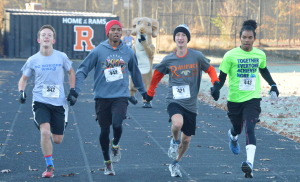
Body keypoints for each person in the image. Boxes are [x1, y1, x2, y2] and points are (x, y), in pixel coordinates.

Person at [72, 20, 146, 176]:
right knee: (104, 131)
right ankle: (107, 163)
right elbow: (82, 70)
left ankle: (116, 144)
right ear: (108, 32)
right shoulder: (98, 51)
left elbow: (135, 72)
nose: (116, 32)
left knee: (117, 125)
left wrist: (143, 91)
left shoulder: (128, 52)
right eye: (113, 29)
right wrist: (75, 90)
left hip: (120, 96)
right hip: (102, 97)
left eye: (119, 29)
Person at [145, 24, 219, 177]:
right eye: (177, 35)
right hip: (174, 100)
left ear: (187, 39)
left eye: (183, 35)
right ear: (175, 39)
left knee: (186, 140)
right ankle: (174, 141)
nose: (180, 38)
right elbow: (157, 75)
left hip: (191, 104)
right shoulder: (169, 59)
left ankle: (176, 163)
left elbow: (210, 69)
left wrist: (216, 83)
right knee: (177, 123)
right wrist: (150, 93)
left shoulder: (196, 56)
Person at [210, 20, 279, 178]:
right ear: (239, 38)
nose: (247, 40)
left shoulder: (260, 54)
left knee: (250, 127)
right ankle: (233, 136)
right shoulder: (230, 55)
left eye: (250, 37)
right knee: (237, 128)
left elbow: (264, 70)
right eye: (244, 37)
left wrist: (273, 85)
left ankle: (249, 164)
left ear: (254, 38)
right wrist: (216, 89)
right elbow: (221, 77)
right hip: (234, 99)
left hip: (253, 98)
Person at [18, 24, 77, 178]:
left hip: (59, 103)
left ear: (53, 40)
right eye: (43, 35)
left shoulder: (61, 56)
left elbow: (71, 72)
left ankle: (54, 126)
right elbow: (23, 79)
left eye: (49, 35)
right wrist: (21, 92)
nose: (46, 37)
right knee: (45, 132)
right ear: (39, 39)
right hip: (40, 102)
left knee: (57, 139)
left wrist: (72, 90)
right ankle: (49, 166)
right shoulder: (33, 60)